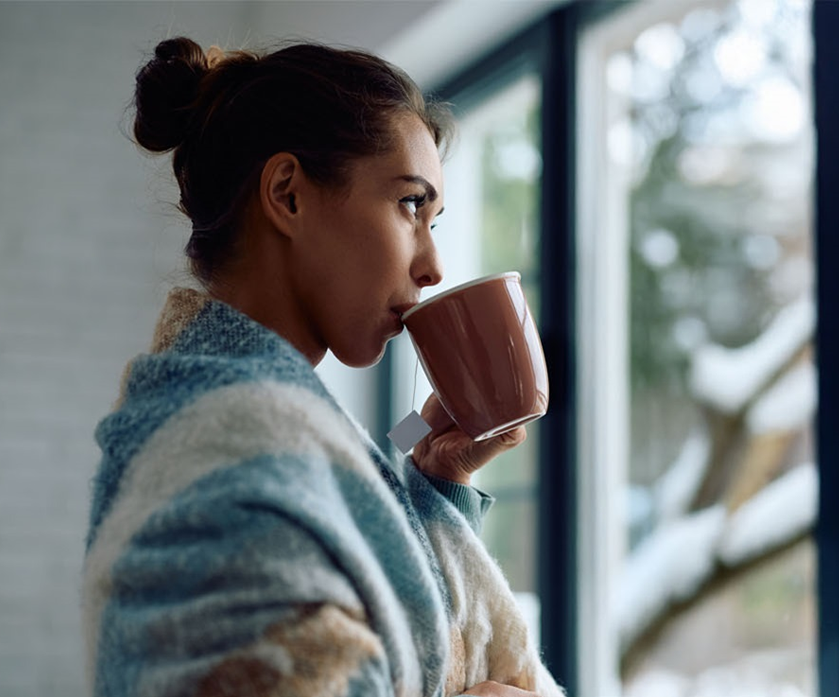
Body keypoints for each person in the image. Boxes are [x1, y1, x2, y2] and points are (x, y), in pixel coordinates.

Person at [81, 36, 563, 697]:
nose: (432, 266)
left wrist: (434, 483)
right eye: (410, 205)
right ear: (288, 194)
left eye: (435, 218)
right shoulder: (224, 448)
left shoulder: (253, 419)